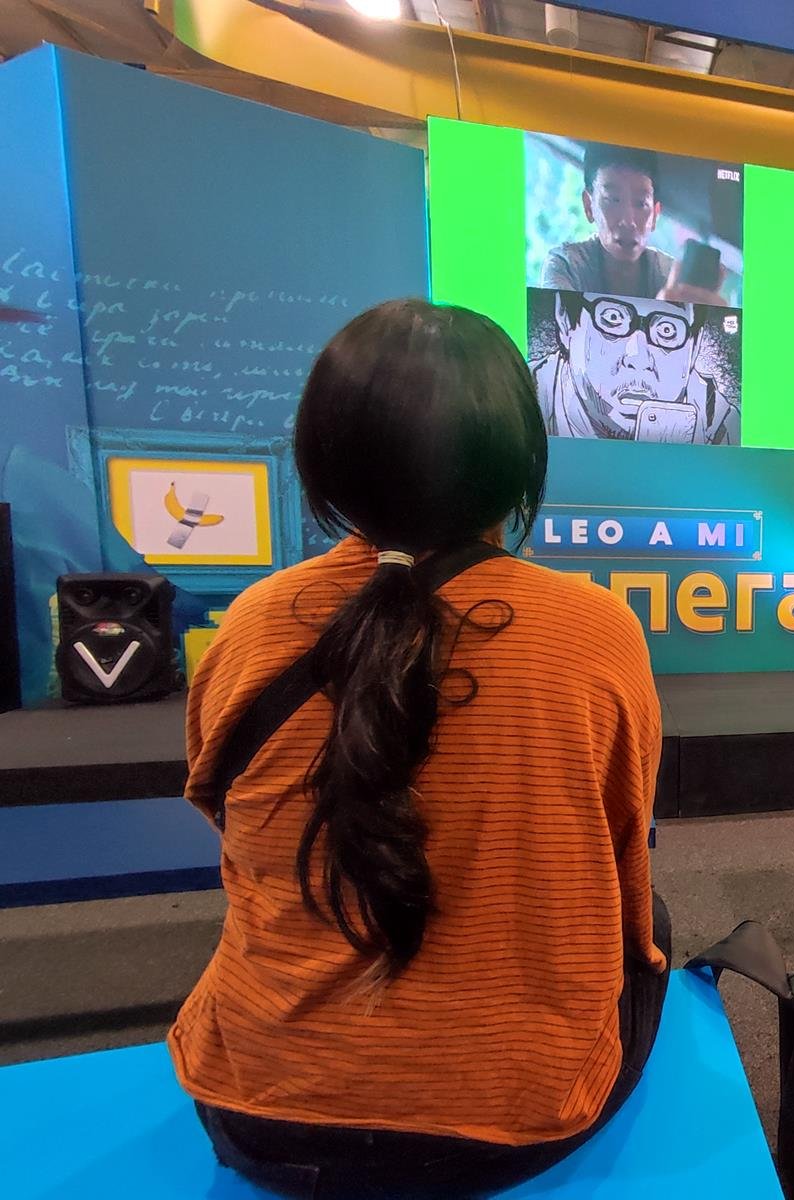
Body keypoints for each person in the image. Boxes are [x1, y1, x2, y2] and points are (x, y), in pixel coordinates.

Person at [171, 300, 668, 1198]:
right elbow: (624, 852)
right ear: (518, 461)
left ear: (326, 464)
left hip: (255, 1106)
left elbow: (230, 830)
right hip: (514, 1120)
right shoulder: (596, 631)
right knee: (655, 920)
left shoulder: (249, 625)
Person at [533, 290, 739, 445]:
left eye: (667, 330)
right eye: (613, 318)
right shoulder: (525, 400)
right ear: (566, 321)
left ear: (694, 347)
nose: (639, 359)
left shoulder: (722, 428)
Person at [542, 143, 726, 305]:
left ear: (655, 214)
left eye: (641, 203)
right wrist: (666, 316)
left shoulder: (672, 280)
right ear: (589, 206)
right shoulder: (566, 266)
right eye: (613, 199)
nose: (628, 221)